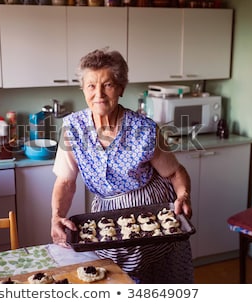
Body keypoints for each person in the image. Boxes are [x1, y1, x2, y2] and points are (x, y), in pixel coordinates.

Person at [50, 48, 193, 283]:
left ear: (121, 88)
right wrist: (56, 216)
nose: (99, 94)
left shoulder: (144, 129)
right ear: (83, 89)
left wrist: (183, 195)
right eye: (91, 86)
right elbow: (65, 182)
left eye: (107, 85)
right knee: (114, 279)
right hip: (106, 218)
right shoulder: (73, 128)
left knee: (158, 279)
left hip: (152, 211)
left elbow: (176, 172)